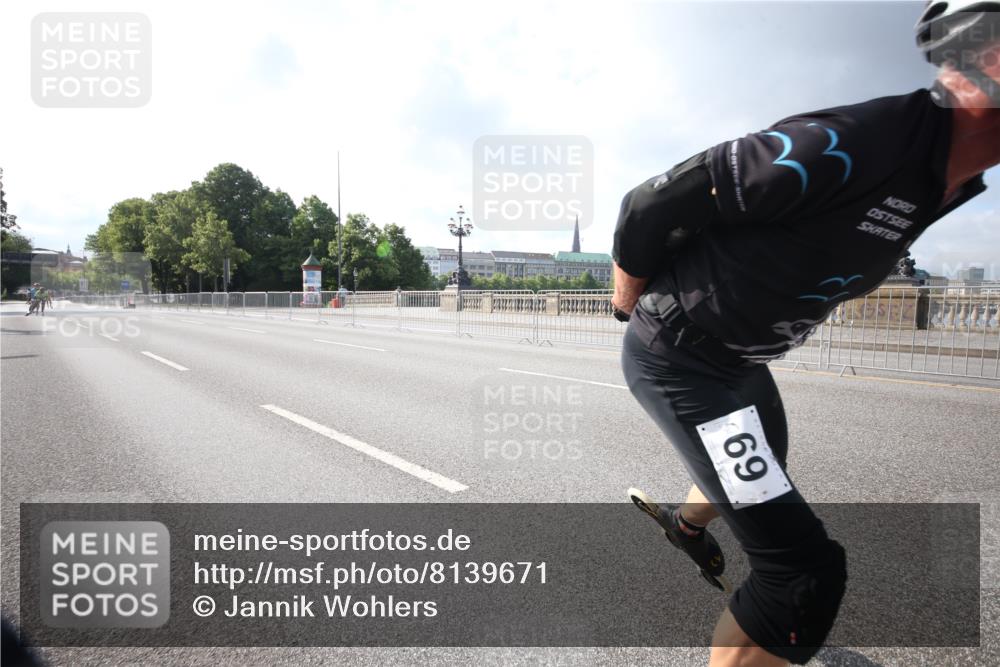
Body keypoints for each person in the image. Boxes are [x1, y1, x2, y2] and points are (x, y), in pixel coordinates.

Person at [612, 3, 1000, 666]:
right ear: (973, 56)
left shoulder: (951, 179)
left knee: (767, 459)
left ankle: (686, 526)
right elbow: (651, 202)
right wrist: (630, 311)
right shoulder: (854, 143)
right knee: (801, 573)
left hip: (739, 362)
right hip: (684, 360)